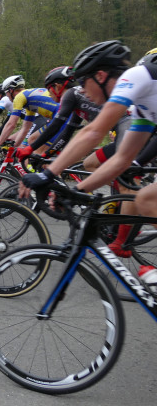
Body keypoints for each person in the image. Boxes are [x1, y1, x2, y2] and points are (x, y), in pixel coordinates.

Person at [21, 42, 157, 257]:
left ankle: (122, 242)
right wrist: (78, 191)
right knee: (145, 199)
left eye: (83, 82)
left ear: (101, 76)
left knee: (146, 198)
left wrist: (48, 174)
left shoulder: (134, 77)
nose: (81, 90)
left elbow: (93, 132)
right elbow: (122, 159)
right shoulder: (143, 108)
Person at [15, 66, 99, 160]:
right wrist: (46, 155)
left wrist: (30, 148)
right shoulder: (77, 98)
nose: (49, 95)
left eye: (48, 89)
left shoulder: (69, 95)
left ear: (57, 86)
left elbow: (56, 125)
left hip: (116, 132)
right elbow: (67, 134)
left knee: (90, 164)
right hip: (115, 130)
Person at [0, 75, 59, 148]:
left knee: (29, 143)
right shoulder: (28, 100)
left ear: (11, 90)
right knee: (26, 148)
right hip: (57, 116)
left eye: (6, 93)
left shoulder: (19, 97)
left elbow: (11, 125)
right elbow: (26, 128)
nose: (7, 96)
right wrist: (13, 147)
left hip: (58, 115)